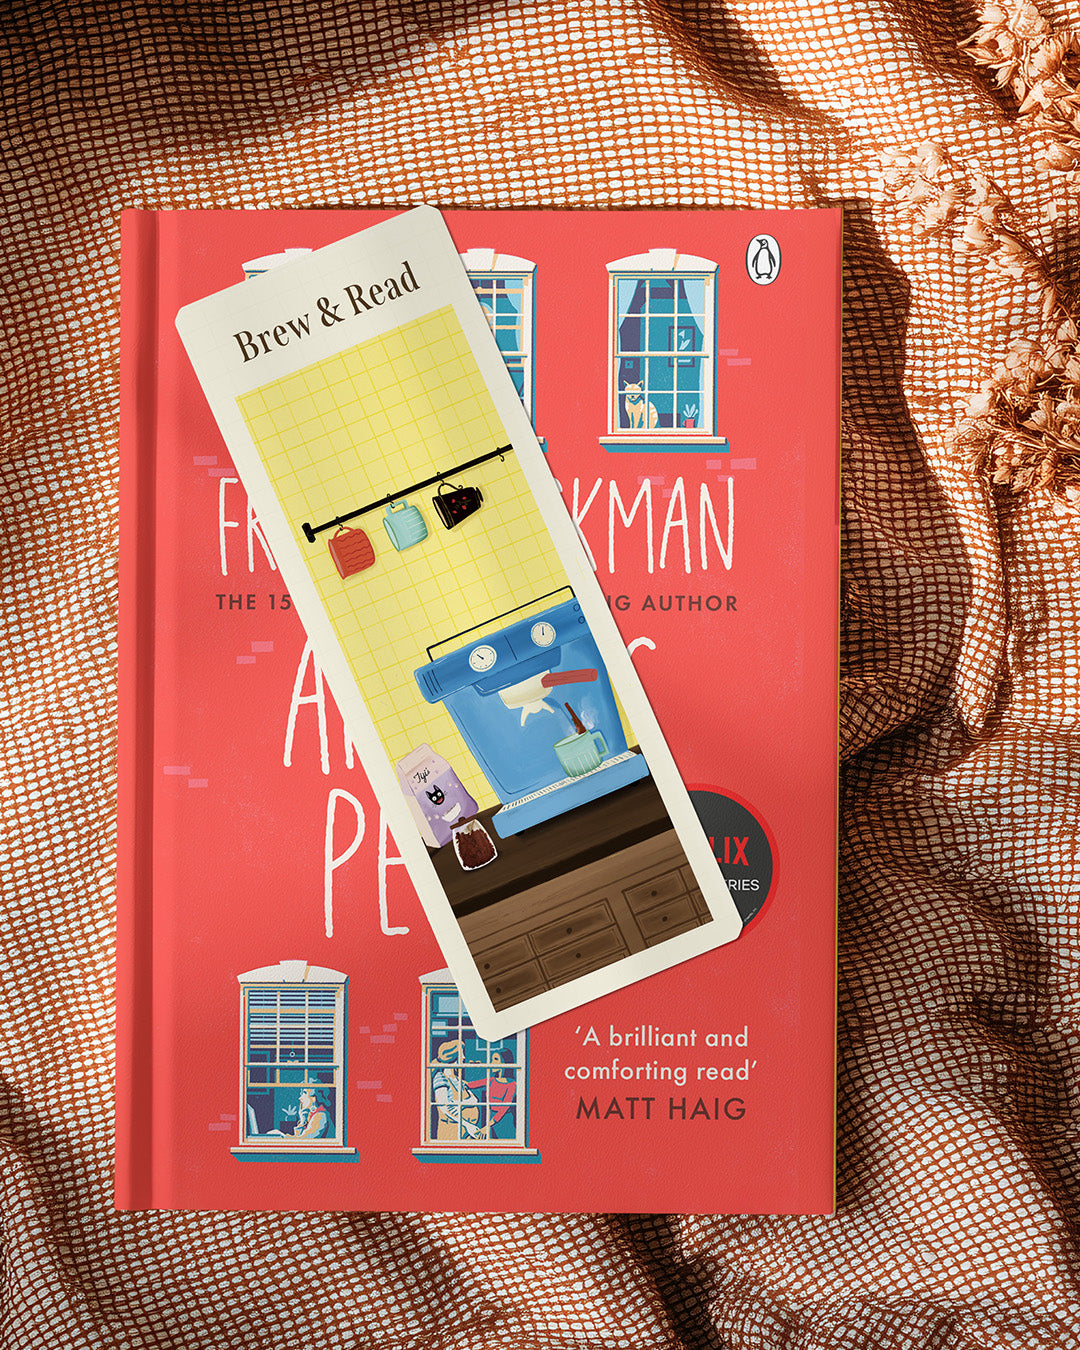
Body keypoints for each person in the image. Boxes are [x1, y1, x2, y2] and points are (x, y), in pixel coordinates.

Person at [431, 1038, 486, 1141]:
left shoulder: (459, 1080)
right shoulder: (440, 1078)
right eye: (461, 1054)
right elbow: (445, 1108)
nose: (464, 1057)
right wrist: (467, 1125)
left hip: (467, 1131)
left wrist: (460, 1104)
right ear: (453, 1057)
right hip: (451, 1131)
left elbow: (474, 1099)